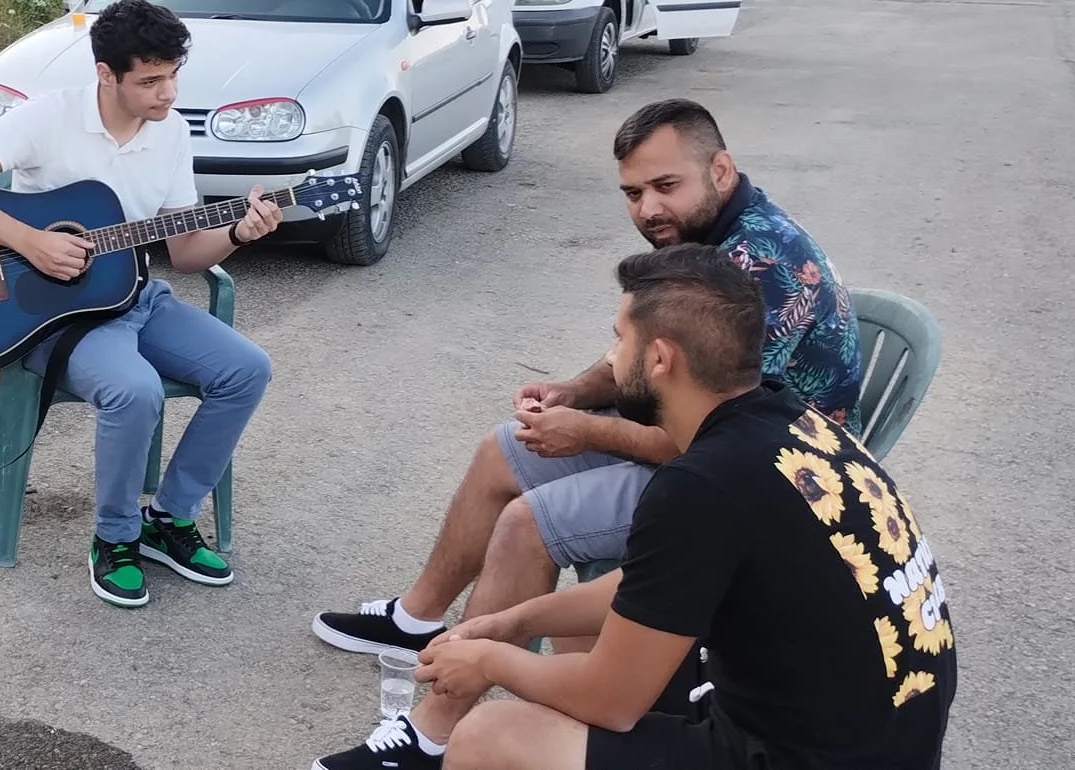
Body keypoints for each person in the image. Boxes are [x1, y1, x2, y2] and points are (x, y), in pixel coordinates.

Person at [311, 98, 865, 754]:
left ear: (721, 168)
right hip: (714, 440)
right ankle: (418, 618)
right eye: (632, 193)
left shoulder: (760, 270)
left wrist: (586, 430)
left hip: (761, 476)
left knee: (528, 525)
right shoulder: (710, 235)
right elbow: (643, 357)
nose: (648, 209)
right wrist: (571, 392)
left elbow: (698, 430)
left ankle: (433, 733)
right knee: (505, 447)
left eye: (665, 186)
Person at [314, 244, 956, 770]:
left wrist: (486, 660)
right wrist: (512, 623)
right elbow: (648, 587)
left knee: (488, 739)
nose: (613, 358)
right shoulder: (793, 422)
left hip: (791, 756)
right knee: (605, 630)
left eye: (619, 340)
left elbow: (612, 701)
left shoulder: (700, 485)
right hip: (870, 739)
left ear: (660, 358)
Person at [0, 0, 278, 608]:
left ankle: (171, 518)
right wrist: (29, 240)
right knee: (135, 391)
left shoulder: (172, 132)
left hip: (135, 298)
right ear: (107, 74)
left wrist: (238, 232)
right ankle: (115, 538)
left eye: (174, 75)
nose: (168, 93)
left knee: (247, 370)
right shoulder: (47, 119)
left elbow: (185, 251)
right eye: (151, 80)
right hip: (56, 315)